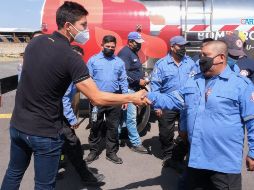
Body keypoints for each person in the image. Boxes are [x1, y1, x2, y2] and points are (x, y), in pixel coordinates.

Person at [1, 2, 148, 190]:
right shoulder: (71, 57)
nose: (86, 30)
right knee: (44, 184)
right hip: (44, 132)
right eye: (83, 25)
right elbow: (96, 97)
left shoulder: (35, 43)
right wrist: (131, 97)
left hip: (18, 126)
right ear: (68, 26)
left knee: (13, 173)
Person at [148, 40, 254, 190]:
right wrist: (146, 96)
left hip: (224, 163)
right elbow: (173, 99)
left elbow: (252, 120)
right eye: (200, 54)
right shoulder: (194, 81)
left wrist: (253, 151)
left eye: (206, 55)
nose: (201, 59)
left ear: (221, 58)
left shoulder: (241, 85)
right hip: (196, 159)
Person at [150, 35, 198, 168]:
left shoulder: (190, 63)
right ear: (172, 47)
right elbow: (155, 85)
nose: (183, 48)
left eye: (184, 46)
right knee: (166, 132)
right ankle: (168, 155)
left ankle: (183, 153)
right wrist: (157, 106)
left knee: (187, 130)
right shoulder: (161, 64)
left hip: (186, 104)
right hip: (167, 103)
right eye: (180, 46)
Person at [59, 45, 104, 183]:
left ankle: (59, 163)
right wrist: (72, 119)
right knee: (74, 144)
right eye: (74, 55)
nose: (76, 58)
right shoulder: (66, 73)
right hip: (58, 115)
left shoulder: (69, 71)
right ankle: (85, 176)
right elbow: (64, 99)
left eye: (78, 56)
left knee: (60, 142)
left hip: (52, 115)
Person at [85, 35, 128, 164]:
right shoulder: (93, 60)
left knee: (113, 126)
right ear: (102, 46)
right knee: (95, 125)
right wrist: (91, 96)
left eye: (112, 47)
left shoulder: (119, 62)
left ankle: (111, 152)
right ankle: (93, 151)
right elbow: (88, 80)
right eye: (107, 46)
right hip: (97, 98)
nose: (110, 49)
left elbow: (123, 80)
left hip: (114, 98)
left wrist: (125, 98)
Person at [117, 31, 148, 154]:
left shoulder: (132, 52)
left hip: (133, 88)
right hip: (128, 89)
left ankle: (115, 138)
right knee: (131, 118)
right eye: (137, 43)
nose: (139, 45)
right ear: (130, 42)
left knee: (124, 117)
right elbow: (123, 73)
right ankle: (136, 143)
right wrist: (137, 80)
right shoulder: (125, 53)